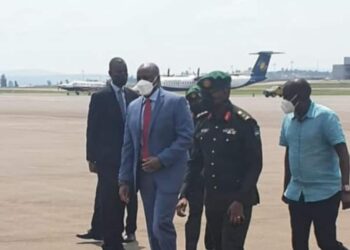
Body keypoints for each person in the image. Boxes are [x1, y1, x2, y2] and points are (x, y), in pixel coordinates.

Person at [179, 71, 262, 250]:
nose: (206, 97)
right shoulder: (203, 122)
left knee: (231, 246)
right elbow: (195, 162)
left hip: (237, 198)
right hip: (213, 199)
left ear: (226, 92)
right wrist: (184, 193)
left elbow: (255, 165)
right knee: (213, 245)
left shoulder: (243, 122)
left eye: (211, 92)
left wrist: (239, 200)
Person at [118, 63, 194, 250]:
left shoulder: (175, 102)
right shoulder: (134, 107)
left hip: (168, 173)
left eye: (146, 76)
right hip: (144, 176)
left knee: (161, 223)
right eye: (139, 76)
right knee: (153, 227)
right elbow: (128, 146)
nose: (142, 81)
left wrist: (161, 159)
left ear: (157, 78)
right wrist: (124, 180)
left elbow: (186, 137)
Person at [280, 78, 350, 250]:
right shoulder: (288, 119)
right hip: (297, 193)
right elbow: (289, 153)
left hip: (325, 193)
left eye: (287, 96)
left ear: (301, 96)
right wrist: (286, 187)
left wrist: (346, 188)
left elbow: (343, 153)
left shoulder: (325, 117)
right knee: (298, 243)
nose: (284, 100)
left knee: (326, 242)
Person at [85, 57, 139, 250]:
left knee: (127, 200)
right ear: (110, 73)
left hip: (130, 159)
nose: (122, 75)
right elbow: (92, 129)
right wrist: (91, 157)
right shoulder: (100, 97)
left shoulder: (134, 96)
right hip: (108, 160)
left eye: (125, 72)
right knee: (109, 202)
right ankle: (111, 242)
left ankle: (127, 231)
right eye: (118, 72)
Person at [176, 85, 213, 250]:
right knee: (194, 216)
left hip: (213, 177)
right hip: (195, 176)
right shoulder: (187, 121)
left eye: (196, 98)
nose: (194, 102)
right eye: (190, 99)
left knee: (213, 218)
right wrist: (184, 190)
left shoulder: (213, 119)